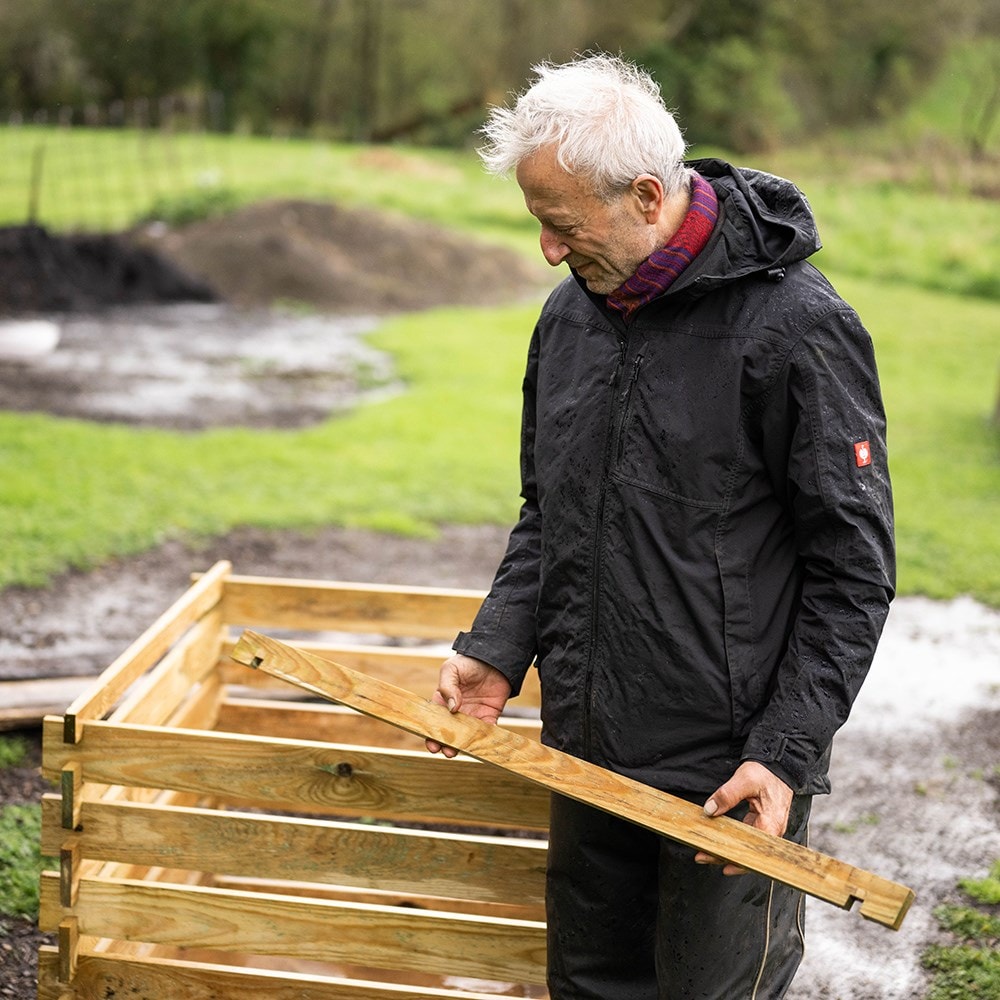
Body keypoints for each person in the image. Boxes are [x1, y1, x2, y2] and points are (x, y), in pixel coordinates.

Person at [426, 53, 894, 1000]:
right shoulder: (570, 321)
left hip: (726, 782)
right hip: (587, 748)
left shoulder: (797, 329)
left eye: (562, 226)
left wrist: (785, 753)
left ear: (646, 196)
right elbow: (547, 514)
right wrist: (499, 646)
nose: (550, 253)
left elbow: (853, 570)